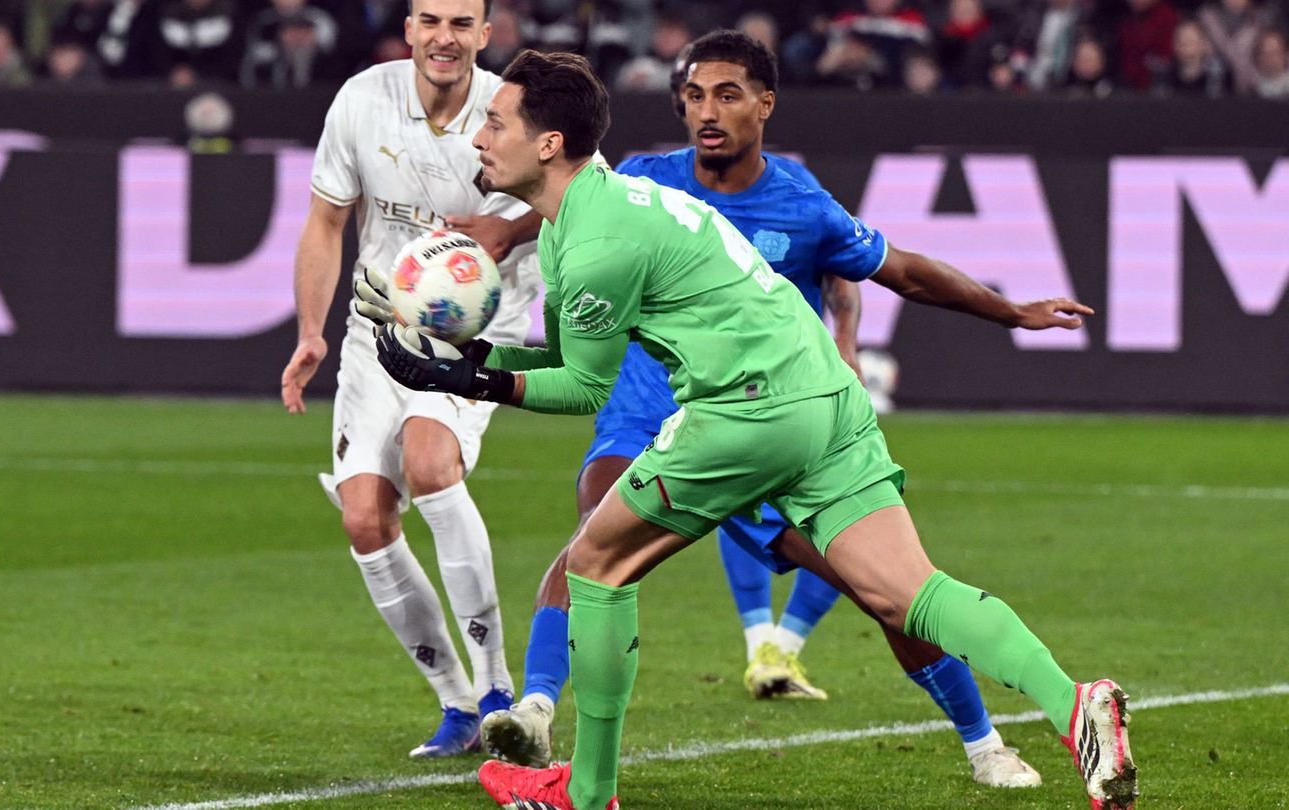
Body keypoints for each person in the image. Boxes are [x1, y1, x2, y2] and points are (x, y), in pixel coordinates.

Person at [373, 49, 1137, 810]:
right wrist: (465, 357)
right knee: (910, 593)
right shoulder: (617, 200)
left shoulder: (595, 245)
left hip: (745, 409)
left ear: (547, 144)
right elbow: (567, 355)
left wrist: (468, 379)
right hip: (829, 398)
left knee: (596, 564)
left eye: (495, 123)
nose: (479, 138)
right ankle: (1075, 706)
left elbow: (583, 386)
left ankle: (588, 789)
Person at [279, 0, 544, 760]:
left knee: (430, 462)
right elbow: (327, 221)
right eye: (431, 20)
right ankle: (457, 706)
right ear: (408, 29)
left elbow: (578, 184)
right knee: (364, 516)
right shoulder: (362, 100)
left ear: (485, 36)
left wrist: (511, 228)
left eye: (462, 23)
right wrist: (309, 331)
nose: (445, 37)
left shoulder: (512, 111)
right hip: (375, 327)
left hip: (470, 331)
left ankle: (499, 690)